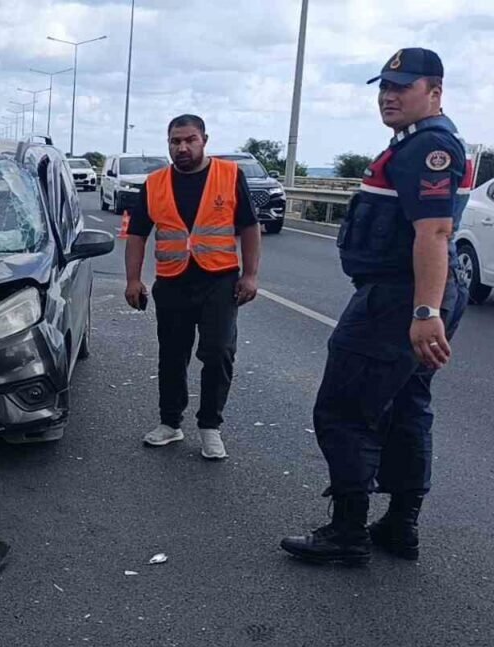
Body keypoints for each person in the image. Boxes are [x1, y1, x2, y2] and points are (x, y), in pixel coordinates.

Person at [281, 48, 473, 564]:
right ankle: (400, 525)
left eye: (403, 87)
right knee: (407, 406)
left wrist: (424, 312)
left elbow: (435, 232)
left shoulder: (429, 147)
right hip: (416, 293)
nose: (389, 96)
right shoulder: (418, 141)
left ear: (434, 92)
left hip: (398, 298)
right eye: (385, 87)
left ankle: (347, 532)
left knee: (344, 409)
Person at [121, 114, 262, 460]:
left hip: (219, 280)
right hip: (172, 281)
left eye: (190, 140)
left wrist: (251, 275)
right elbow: (136, 234)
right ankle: (170, 423)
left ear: (204, 140)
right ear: (168, 143)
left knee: (218, 351)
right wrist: (133, 280)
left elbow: (249, 227)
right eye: (175, 141)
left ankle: (210, 427)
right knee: (172, 355)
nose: (182, 147)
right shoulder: (154, 183)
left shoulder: (230, 175)